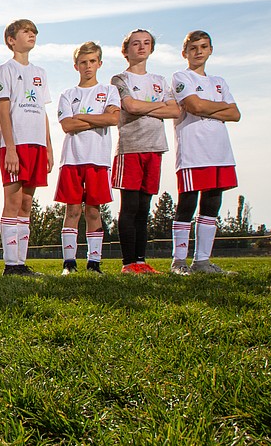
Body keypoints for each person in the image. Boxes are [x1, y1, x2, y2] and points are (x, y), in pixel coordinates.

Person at [171, 30, 241, 275]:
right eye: (193, 48)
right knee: (187, 204)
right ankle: (178, 262)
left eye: (203, 46)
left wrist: (209, 109)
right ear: (185, 53)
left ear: (211, 50)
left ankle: (202, 261)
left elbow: (236, 114)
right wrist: (220, 107)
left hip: (220, 152)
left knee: (212, 204)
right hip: (193, 152)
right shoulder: (182, 77)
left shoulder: (219, 82)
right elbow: (194, 105)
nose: (199, 51)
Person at [111, 29, 179, 274]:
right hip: (131, 148)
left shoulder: (160, 80)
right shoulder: (120, 80)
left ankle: (141, 261)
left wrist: (144, 107)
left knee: (144, 207)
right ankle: (128, 263)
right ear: (126, 50)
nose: (141, 47)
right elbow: (130, 106)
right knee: (129, 207)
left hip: (155, 147)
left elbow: (175, 111)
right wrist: (157, 106)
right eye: (136, 44)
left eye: (146, 43)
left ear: (151, 48)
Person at [55, 42, 121, 275]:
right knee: (72, 211)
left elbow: (113, 119)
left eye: (92, 61)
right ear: (76, 66)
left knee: (94, 211)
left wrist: (81, 117)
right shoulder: (67, 95)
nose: (88, 66)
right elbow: (67, 125)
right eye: (83, 62)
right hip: (72, 159)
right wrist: (96, 117)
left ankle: (94, 263)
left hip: (98, 159)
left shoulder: (109, 90)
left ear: (99, 63)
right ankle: (69, 264)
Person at [0, 19, 52, 277]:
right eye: (25, 31)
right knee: (13, 200)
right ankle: (10, 264)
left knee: (27, 203)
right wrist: (10, 148)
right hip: (16, 145)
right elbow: (3, 111)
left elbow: (43, 111)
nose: (31, 35)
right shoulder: (6, 69)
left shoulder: (40, 72)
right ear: (11, 39)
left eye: (33, 32)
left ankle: (21, 262)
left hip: (37, 144)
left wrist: (49, 147)